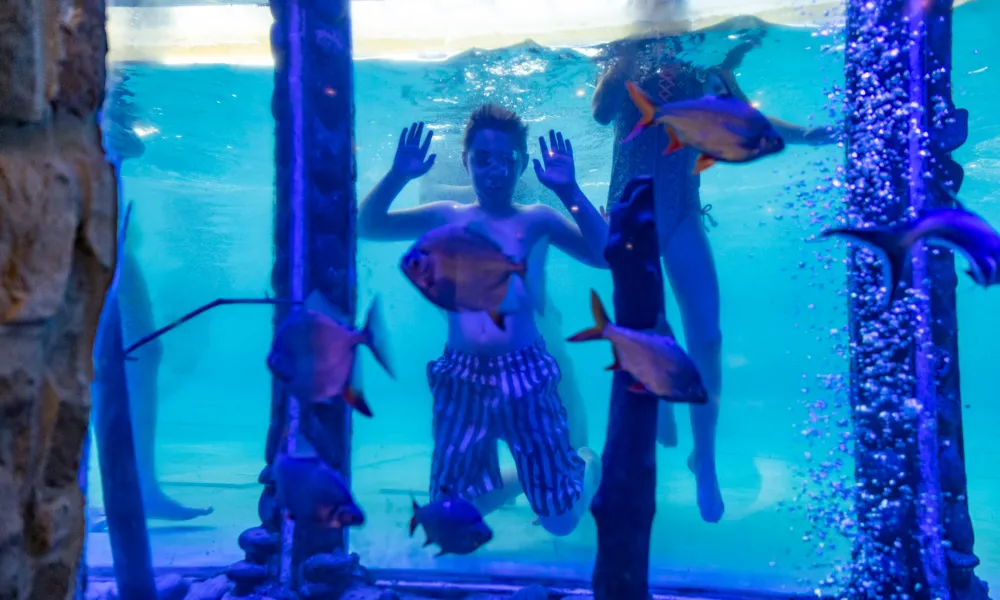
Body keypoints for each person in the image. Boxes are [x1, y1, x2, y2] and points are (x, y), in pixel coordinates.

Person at [591, 35, 837, 523]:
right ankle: (662, 403)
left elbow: (747, 121)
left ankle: (704, 457)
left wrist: (807, 134)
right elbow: (601, 112)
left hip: (681, 209)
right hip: (631, 211)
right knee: (648, 328)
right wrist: (627, 54)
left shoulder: (703, 55)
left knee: (708, 336)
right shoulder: (623, 50)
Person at [358, 105, 607, 536]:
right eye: (483, 159)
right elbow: (367, 225)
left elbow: (604, 256)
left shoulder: (538, 220)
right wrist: (399, 175)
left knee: (561, 522)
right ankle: (522, 483)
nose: (495, 171)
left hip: (525, 372)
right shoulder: (446, 215)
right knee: (448, 517)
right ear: (465, 161)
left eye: (507, 160)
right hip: (462, 376)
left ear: (523, 164)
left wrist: (571, 191)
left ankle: (586, 463)